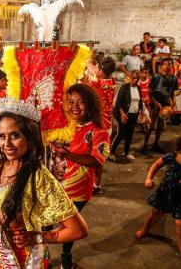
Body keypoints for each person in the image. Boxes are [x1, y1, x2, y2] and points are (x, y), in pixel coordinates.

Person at [0, 97, 88, 268]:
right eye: (1, 136)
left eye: (15, 136)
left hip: (23, 259)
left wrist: (38, 237)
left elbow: (78, 230)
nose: (7, 144)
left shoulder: (39, 177)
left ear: (29, 137)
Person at [49, 84, 110, 269]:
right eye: (71, 102)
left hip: (77, 191)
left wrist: (66, 154)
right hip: (52, 185)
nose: (75, 106)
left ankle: (65, 255)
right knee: (45, 221)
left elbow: (97, 162)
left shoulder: (98, 130)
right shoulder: (62, 122)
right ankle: (41, 255)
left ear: (90, 104)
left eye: (81, 102)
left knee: (70, 227)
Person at [135, 136, 181, 255]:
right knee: (154, 213)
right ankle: (144, 230)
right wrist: (149, 178)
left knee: (179, 222)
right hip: (165, 191)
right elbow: (156, 165)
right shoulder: (171, 157)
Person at [83, 56, 116, 194]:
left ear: (101, 71)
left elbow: (89, 66)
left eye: (98, 68)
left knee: (91, 155)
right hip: (107, 124)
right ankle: (97, 185)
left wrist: (87, 56)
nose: (95, 69)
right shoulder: (112, 81)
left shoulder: (97, 83)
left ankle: (90, 183)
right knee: (100, 155)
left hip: (97, 124)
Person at [142, 58, 178, 153]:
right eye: (165, 64)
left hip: (165, 105)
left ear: (171, 66)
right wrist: (156, 103)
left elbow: (172, 93)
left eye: (169, 64)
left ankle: (155, 144)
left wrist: (173, 102)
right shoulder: (156, 77)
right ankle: (145, 145)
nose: (167, 66)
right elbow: (150, 93)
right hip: (155, 105)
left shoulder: (173, 79)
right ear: (162, 65)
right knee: (151, 126)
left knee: (160, 127)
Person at [110, 70, 143, 161]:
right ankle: (111, 152)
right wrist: (122, 114)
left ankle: (126, 152)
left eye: (136, 78)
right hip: (124, 114)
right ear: (130, 78)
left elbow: (140, 101)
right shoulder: (124, 88)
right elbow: (118, 103)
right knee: (121, 134)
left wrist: (141, 111)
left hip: (134, 114)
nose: (134, 80)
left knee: (130, 134)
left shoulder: (139, 88)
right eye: (133, 78)